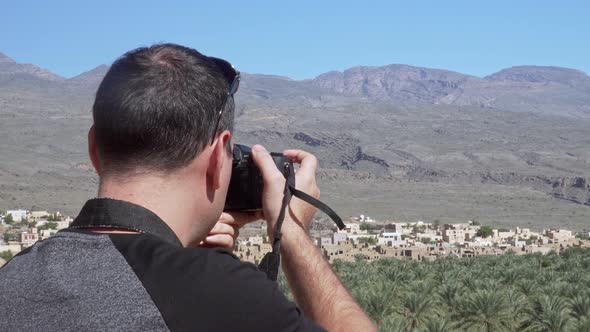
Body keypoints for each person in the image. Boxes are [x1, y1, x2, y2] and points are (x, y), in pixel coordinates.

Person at [0, 44, 376, 331]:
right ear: (216, 159)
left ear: (93, 149)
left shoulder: (11, 280)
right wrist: (291, 229)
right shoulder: (222, 294)